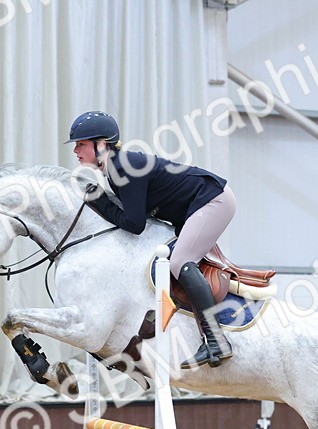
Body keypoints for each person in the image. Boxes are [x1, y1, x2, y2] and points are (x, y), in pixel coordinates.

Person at [66, 111, 236, 369]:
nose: (76, 150)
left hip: (213, 200)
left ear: (101, 145)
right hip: (195, 206)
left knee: (179, 261)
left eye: (81, 144)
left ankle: (215, 340)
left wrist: (99, 201)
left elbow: (135, 224)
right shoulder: (114, 169)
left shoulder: (123, 166)